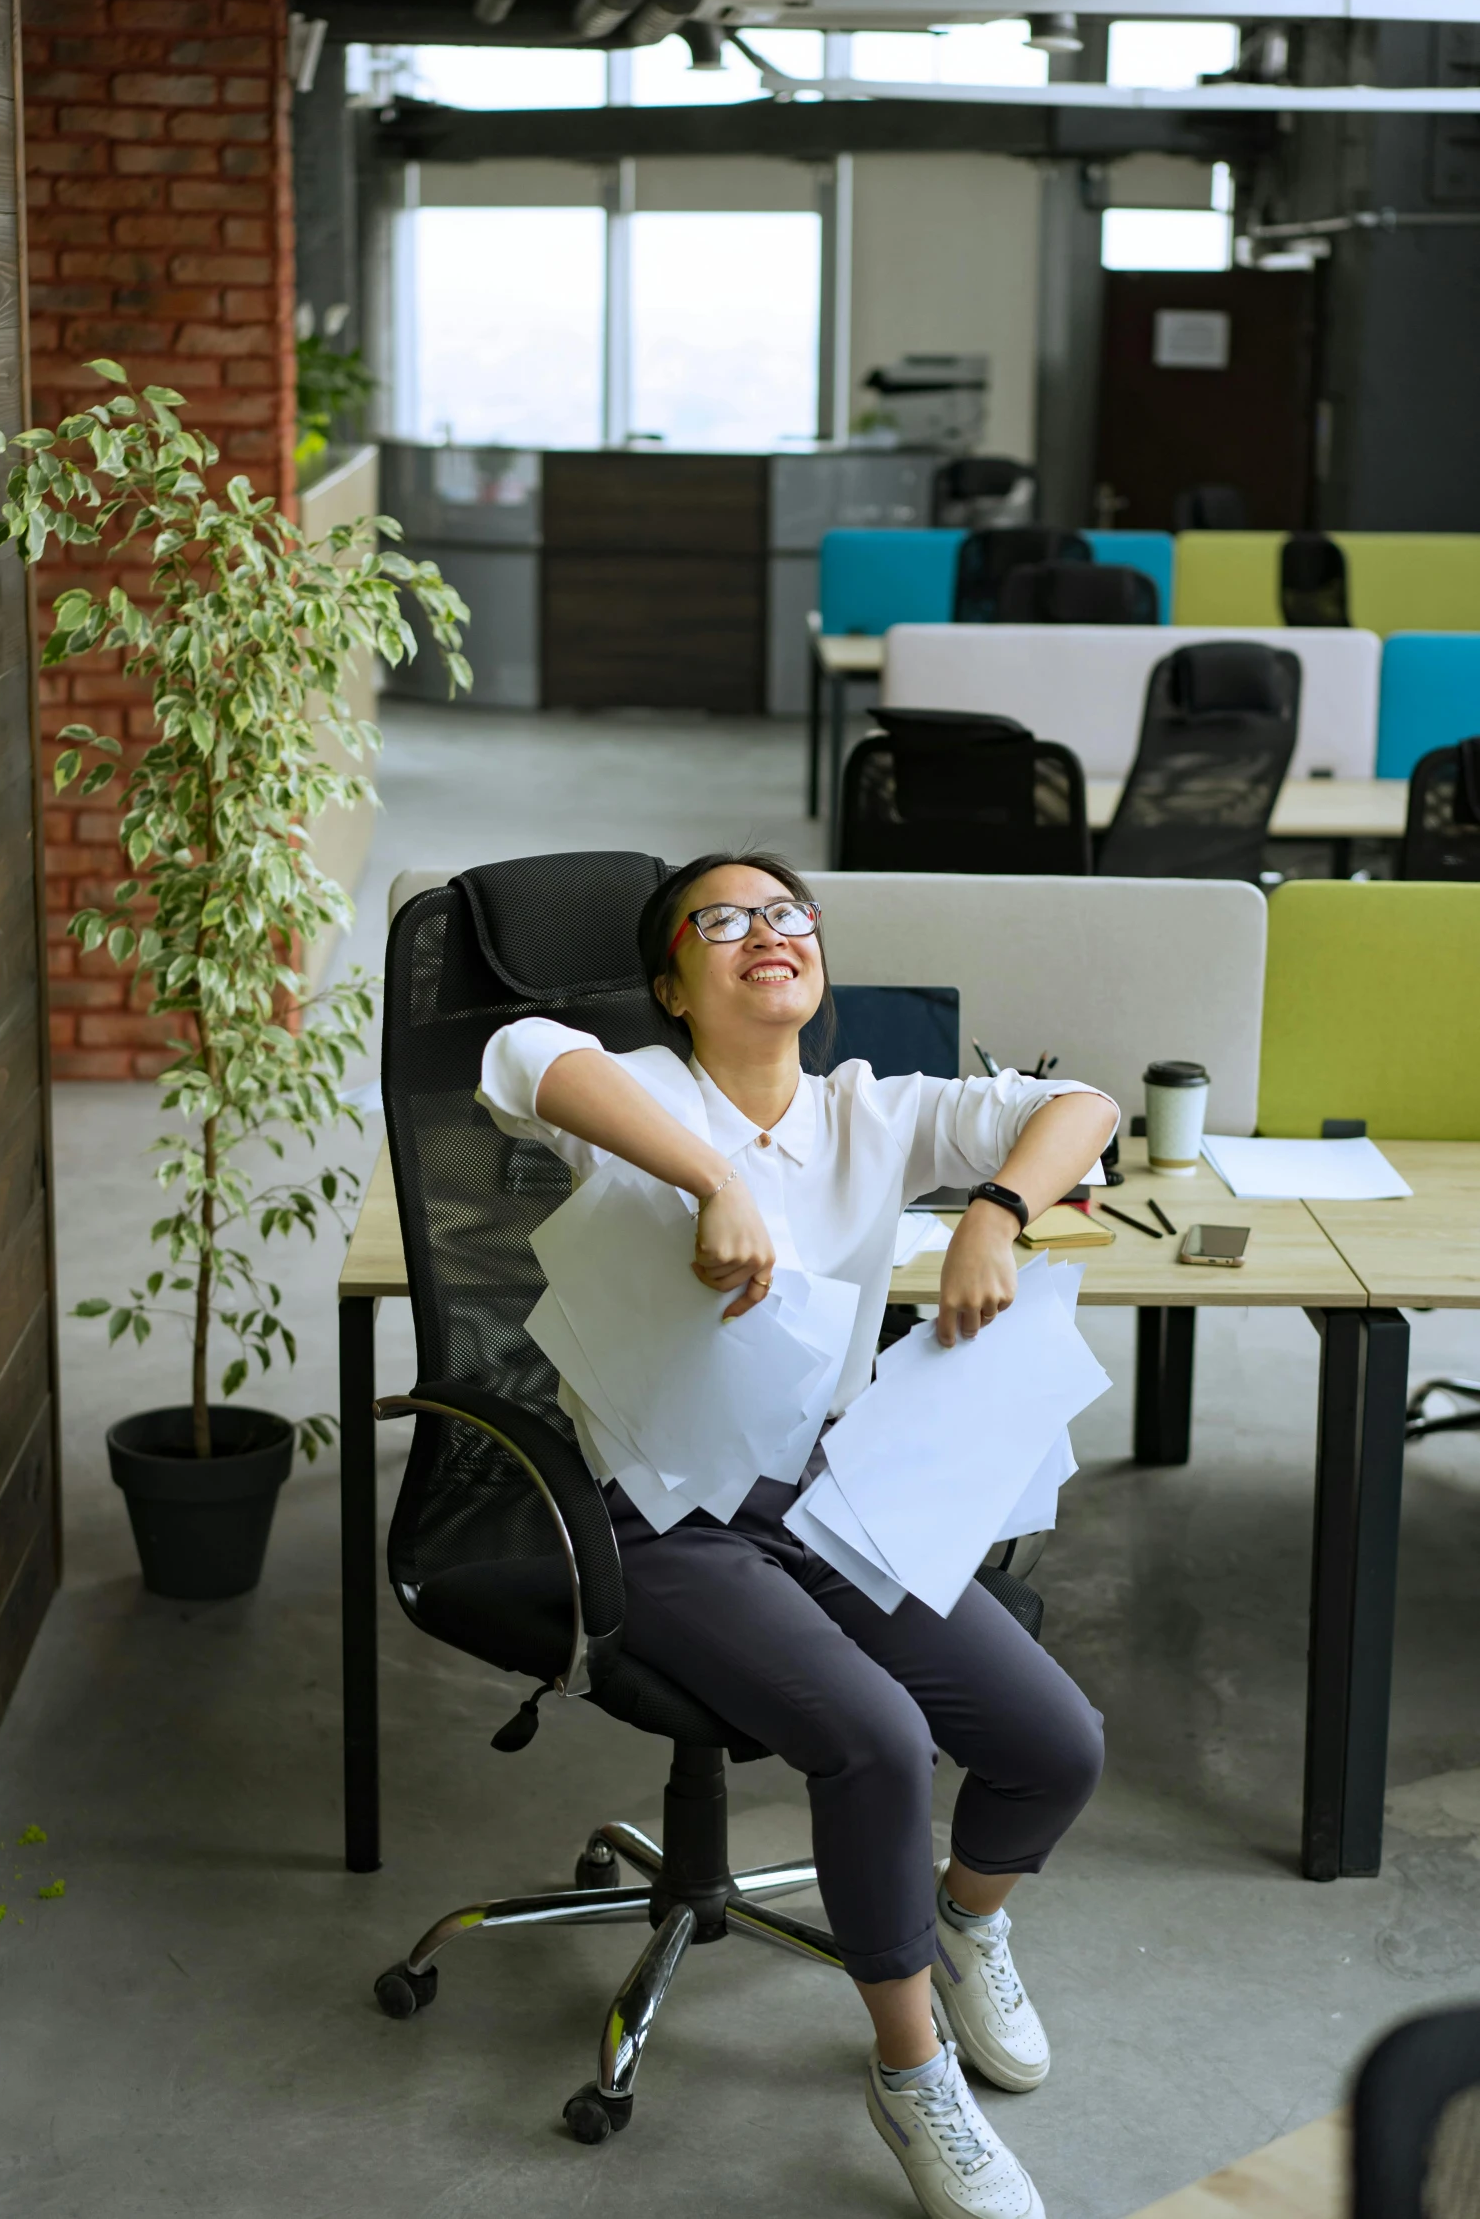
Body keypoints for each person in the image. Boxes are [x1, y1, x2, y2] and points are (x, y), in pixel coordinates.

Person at [477, 851, 1119, 2219]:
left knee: (1055, 1742)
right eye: (723, 919)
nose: (766, 932)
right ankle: (908, 2071)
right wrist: (709, 1176)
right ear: (671, 981)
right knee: (874, 1734)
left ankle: (962, 1921)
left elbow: (1085, 1103)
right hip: (662, 1522)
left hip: (835, 1498)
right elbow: (522, 1049)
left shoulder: (867, 1110)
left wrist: (994, 1212)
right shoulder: (638, 1095)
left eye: (787, 913)